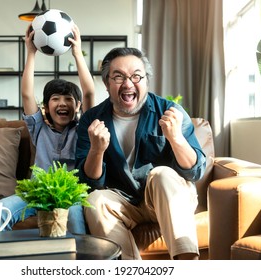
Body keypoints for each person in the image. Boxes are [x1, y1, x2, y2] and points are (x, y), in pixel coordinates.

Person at [75, 47, 206, 259]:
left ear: (146, 81)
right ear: (107, 84)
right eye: (118, 77)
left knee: (162, 174)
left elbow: (196, 172)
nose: (128, 84)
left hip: (167, 196)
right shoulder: (91, 119)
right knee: (95, 199)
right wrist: (96, 151)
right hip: (124, 201)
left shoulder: (170, 111)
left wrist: (176, 138)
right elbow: (89, 184)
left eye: (136, 76)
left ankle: (187, 263)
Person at [0, 23, 94, 234]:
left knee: (76, 220)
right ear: (45, 107)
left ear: (77, 106)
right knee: (0, 211)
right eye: (55, 99)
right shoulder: (38, 127)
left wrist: (77, 53)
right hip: (37, 194)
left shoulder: (83, 129)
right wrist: (31, 52)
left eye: (69, 99)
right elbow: (26, 95)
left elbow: (88, 93)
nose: (62, 103)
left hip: (71, 196)